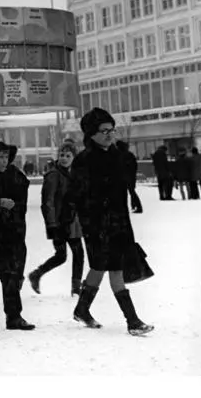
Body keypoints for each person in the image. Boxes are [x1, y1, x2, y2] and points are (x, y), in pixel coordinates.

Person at [67, 108, 153, 336]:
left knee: (98, 268)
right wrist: (92, 219)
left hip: (120, 223)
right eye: (103, 131)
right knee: (114, 269)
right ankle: (132, 321)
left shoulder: (118, 156)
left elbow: (125, 187)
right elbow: (76, 196)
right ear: (91, 134)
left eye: (111, 129)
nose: (109, 134)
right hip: (96, 226)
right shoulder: (83, 161)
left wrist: (132, 200)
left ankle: (82, 309)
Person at [0, 140, 35, 331]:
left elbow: (21, 205)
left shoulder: (16, 176)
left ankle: (14, 316)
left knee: (9, 277)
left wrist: (13, 208)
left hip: (8, 235)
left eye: (6, 157)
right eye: (0, 157)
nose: (4, 160)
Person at [28, 143, 85, 296]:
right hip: (59, 222)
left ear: (74, 158)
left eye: (68, 156)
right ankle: (37, 274)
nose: (64, 158)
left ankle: (75, 287)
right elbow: (48, 202)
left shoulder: (73, 174)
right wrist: (52, 224)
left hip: (72, 221)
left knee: (76, 254)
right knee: (62, 256)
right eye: (62, 155)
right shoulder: (54, 175)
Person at [115, 141, 143, 213]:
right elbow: (134, 166)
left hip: (123, 177)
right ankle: (136, 206)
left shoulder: (119, 155)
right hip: (130, 176)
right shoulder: (129, 154)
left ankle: (129, 208)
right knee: (132, 192)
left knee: (124, 193)